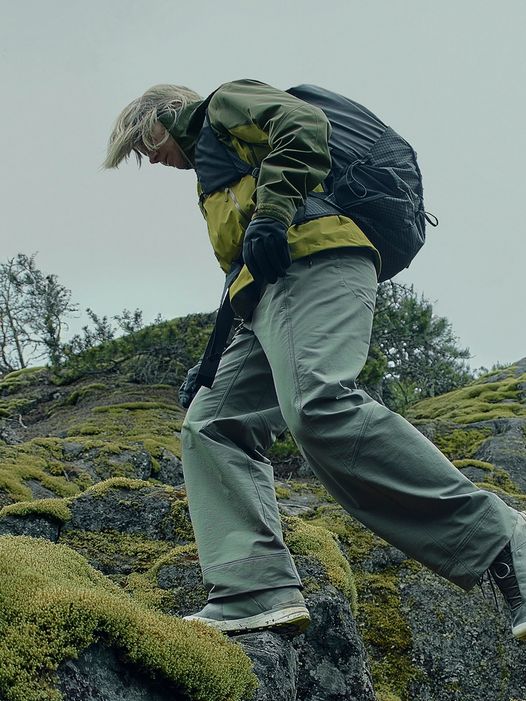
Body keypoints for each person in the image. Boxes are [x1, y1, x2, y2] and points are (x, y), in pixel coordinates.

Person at [104, 79, 526, 639]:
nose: (149, 157)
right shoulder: (214, 169)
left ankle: (504, 538)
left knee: (318, 404)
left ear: (164, 116)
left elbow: (304, 127)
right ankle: (253, 588)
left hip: (315, 260)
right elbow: (245, 261)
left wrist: (273, 214)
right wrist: (210, 360)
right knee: (210, 425)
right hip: (268, 296)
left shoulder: (224, 105)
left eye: (144, 142)